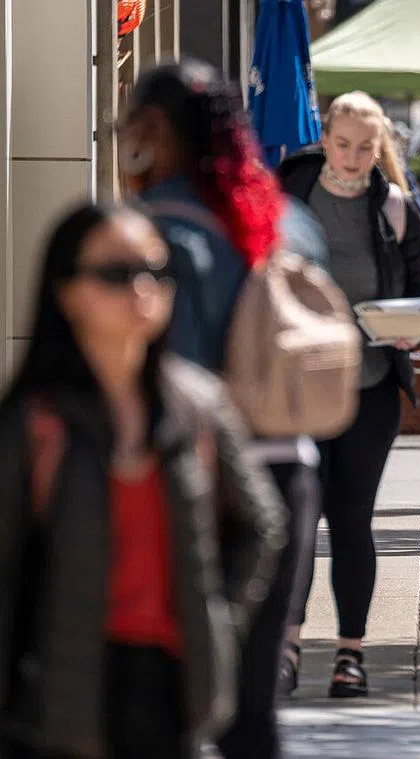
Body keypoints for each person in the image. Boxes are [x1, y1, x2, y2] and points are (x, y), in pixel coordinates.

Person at [0, 204, 284, 759]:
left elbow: (262, 523)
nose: (140, 290)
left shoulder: (199, 405)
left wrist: (217, 620)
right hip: (59, 689)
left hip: (173, 686)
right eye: (114, 274)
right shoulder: (34, 423)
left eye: (156, 272)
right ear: (66, 292)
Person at [115, 59, 325, 758]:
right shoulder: (286, 220)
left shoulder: (154, 233)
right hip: (290, 470)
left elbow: (164, 377)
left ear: (152, 129)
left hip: (194, 481)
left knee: (164, 697)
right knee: (252, 709)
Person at [277, 90, 420, 698]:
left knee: (351, 522)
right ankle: (286, 645)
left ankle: (350, 654)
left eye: (365, 147)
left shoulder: (393, 206)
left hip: (369, 387)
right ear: (325, 137)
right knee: (295, 522)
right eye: (342, 144)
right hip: (296, 387)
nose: (351, 157)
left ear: (380, 147)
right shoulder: (290, 194)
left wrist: (404, 326)